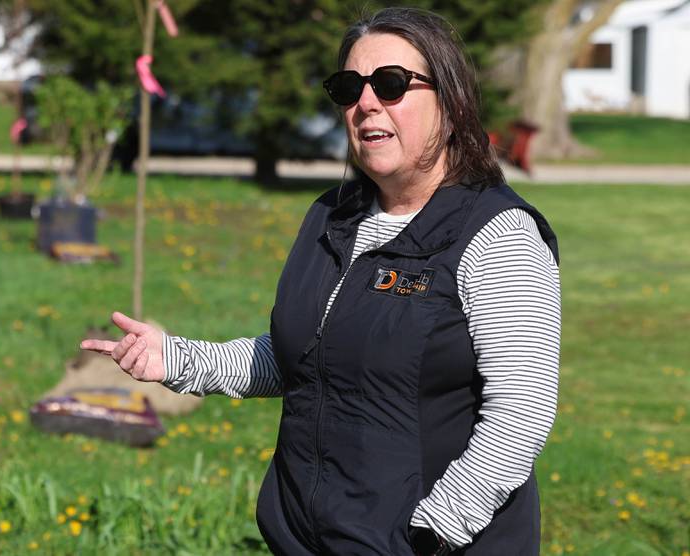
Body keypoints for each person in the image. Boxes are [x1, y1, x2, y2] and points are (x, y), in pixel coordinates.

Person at [81, 7, 561, 555]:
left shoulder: (499, 235)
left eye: (392, 84)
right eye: (349, 87)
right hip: (308, 538)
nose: (366, 103)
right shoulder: (333, 217)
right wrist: (179, 360)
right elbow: (304, 355)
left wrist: (434, 531)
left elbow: (520, 412)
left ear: (449, 103)